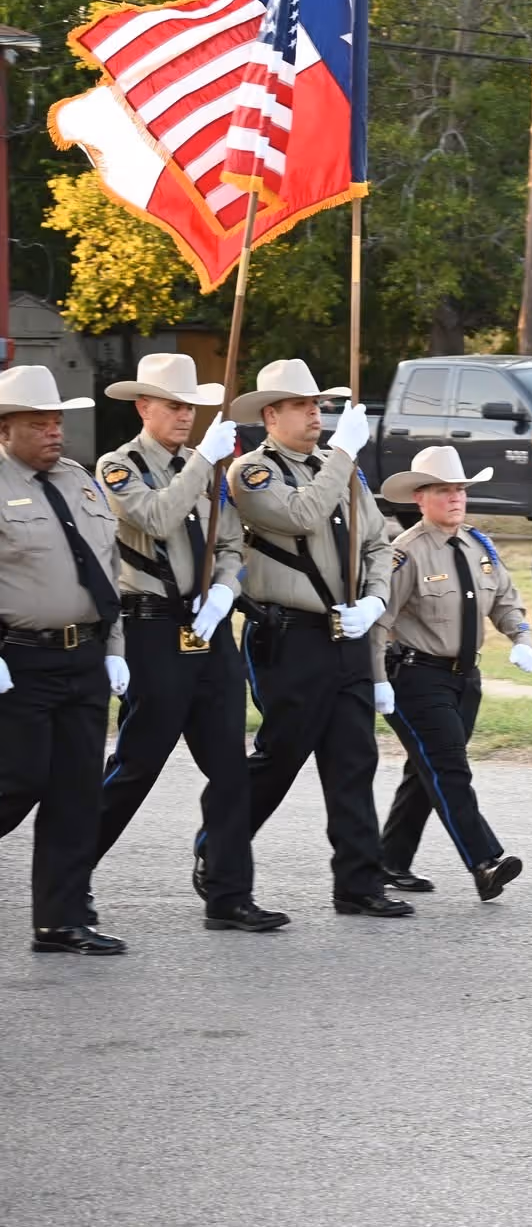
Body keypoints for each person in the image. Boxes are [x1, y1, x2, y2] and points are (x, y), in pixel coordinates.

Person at [93, 353, 287, 932]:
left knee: (230, 769)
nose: (186, 416)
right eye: (175, 405)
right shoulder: (117, 464)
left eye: (191, 407)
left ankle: (229, 896)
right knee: (136, 767)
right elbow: (154, 517)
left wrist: (226, 592)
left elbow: (230, 545)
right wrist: (202, 460)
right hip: (151, 628)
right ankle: (65, 882)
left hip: (208, 629)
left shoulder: (200, 467)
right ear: (143, 406)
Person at [226, 359, 408, 918]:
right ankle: (218, 851)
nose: (316, 414)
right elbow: (302, 516)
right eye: (303, 406)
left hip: (347, 633)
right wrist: (347, 455)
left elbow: (380, 541)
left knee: (354, 759)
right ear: (270, 414)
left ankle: (358, 882)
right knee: (280, 757)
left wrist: (376, 599)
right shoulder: (253, 473)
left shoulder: (340, 467)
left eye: (319, 405)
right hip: (291, 636)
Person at [0, 365, 130, 955]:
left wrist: (115, 649)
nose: (55, 432)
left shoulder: (79, 480)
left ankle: (61, 920)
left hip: (84, 658)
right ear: (6, 429)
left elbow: (105, 569)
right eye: (39, 423)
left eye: (57, 421)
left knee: (76, 793)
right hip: (20, 661)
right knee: (17, 781)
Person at [370, 446, 532, 901]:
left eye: (460, 489)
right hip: (415, 677)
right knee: (449, 769)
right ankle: (485, 862)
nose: (455, 498)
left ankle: (389, 860)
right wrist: (377, 680)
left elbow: (505, 599)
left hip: (466, 679)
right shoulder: (406, 553)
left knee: (427, 770)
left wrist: (521, 637)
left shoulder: (478, 544)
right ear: (420, 498)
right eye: (443, 490)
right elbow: (379, 620)